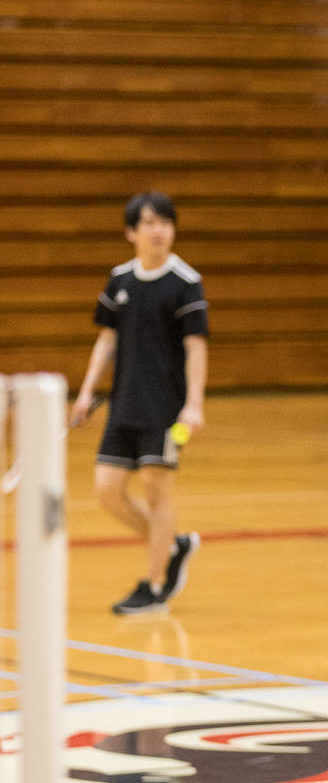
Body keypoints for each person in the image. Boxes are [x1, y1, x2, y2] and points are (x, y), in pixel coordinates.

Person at [71, 191, 208, 615]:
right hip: (123, 404)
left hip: (165, 410)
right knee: (107, 491)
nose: (159, 230)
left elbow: (196, 347)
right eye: (149, 223)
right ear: (131, 232)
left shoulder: (185, 282)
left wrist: (194, 404)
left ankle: (153, 586)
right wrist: (85, 391)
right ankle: (174, 545)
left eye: (165, 222)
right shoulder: (121, 280)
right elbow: (107, 339)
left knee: (155, 490)